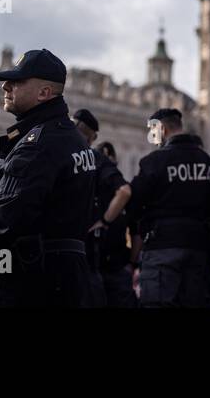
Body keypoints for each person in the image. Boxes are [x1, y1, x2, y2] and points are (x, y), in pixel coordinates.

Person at [0, 48, 98, 308]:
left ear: (44, 93)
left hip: (33, 278)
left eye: (17, 82)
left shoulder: (38, 143)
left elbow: (10, 211)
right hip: (70, 273)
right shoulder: (75, 139)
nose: (6, 86)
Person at [125, 107, 210, 307]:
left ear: (162, 129)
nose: (152, 138)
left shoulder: (153, 162)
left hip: (162, 249)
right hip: (198, 249)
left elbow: (133, 204)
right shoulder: (208, 164)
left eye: (152, 132)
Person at [73, 108, 135, 308]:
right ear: (92, 137)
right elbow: (125, 191)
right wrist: (105, 221)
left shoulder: (55, 154)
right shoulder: (95, 160)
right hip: (99, 258)